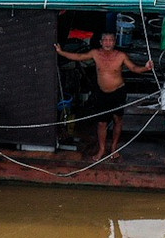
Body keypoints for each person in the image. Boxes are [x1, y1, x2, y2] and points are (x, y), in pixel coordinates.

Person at [56, 30, 152, 159]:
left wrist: (145, 68)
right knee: (102, 123)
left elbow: (134, 68)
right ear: (101, 42)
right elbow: (79, 57)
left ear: (114, 42)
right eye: (105, 40)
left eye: (110, 40)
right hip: (102, 93)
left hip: (118, 92)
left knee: (118, 119)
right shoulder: (95, 53)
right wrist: (61, 52)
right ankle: (101, 150)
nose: (108, 43)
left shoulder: (121, 55)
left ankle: (113, 147)